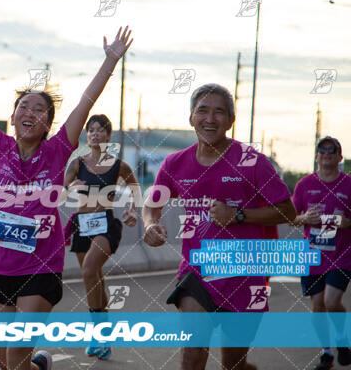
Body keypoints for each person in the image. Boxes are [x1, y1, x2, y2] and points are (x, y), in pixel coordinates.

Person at [0, 13, 132, 370]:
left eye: (39, 109)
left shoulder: (57, 151)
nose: (29, 111)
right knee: (6, 363)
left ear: (47, 124)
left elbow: (85, 103)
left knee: (15, 352)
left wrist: (110, 61)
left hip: (40, 266)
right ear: (12, 118)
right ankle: (40, 366)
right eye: (23, 106)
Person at [142, 83, 296, 370]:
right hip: (197, 270)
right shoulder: (175, 163)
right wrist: (150, 224)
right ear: (191, 117)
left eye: (219, 112)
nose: (210, 119)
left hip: (246, 274)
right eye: (202, 110)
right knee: (193, 352)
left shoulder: (252, 162)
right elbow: (152, 203)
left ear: (230, 121)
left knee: (233, 363)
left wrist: (238, 215)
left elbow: (288, 211)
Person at [63, 114, 140, 360]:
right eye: (91, 130)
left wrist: (131, 209)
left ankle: (97, 334)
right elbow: (60, 187)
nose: (95, 134)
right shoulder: (77, 163)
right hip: (82, 224)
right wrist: (69, 188)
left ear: (108, 135)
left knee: (88, 270)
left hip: (106, 224)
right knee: (95, 277)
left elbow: (135, 189)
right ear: (87, 135)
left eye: (100, 130)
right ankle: (104, 337)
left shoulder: (119, 165)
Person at [292, 136, 351, 370]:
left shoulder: (348, 184)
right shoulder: (304, 184)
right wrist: (304, 218)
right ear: (316, 156)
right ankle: (327, 352)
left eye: (332, 150)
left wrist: (347, 222)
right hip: (312, 256)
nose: (326, 153)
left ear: (339, 157)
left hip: (342, 256)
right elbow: (290, 217)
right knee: (318, 305)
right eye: (322, 150)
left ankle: (342, 340)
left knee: (331, 301)